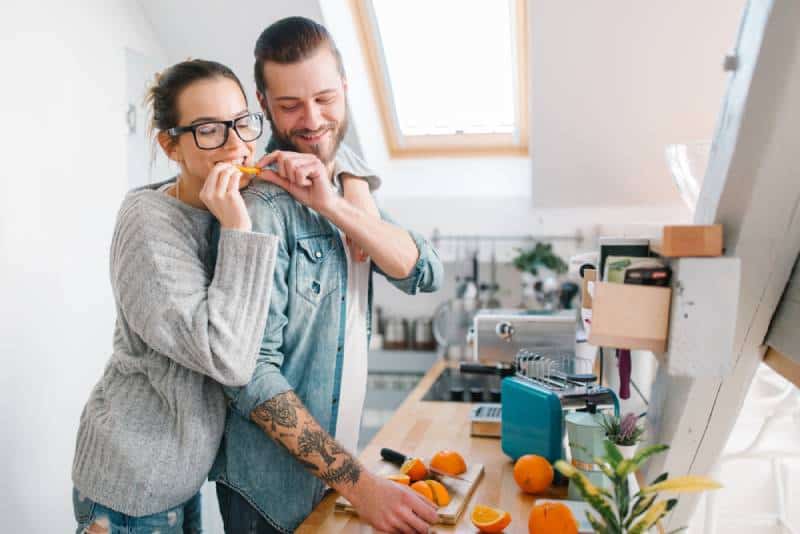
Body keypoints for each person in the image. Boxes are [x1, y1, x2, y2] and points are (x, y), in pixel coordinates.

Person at [209, 17, 444, 534]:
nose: (312, 120)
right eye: (290, 105)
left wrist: (341, 204)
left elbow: (425, 274)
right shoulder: (264, 208)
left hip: (330, 478)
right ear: (263, 103)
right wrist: (362, 486)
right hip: (270, 496)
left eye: (324, 98)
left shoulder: (341, 183)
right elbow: (249, 377)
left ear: (345, 87)